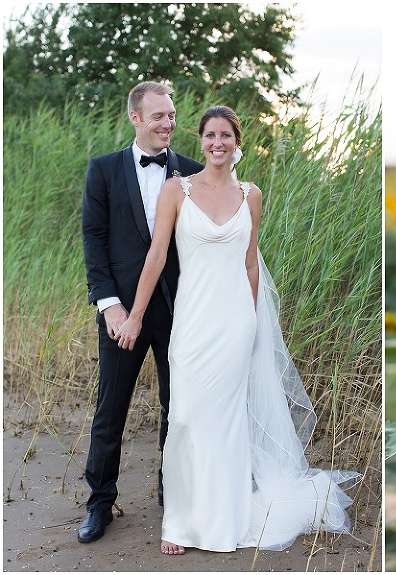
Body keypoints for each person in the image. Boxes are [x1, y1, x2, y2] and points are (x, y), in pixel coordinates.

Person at [115, 105, 359, 555]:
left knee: (227, 424)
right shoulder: (177, 190)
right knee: (187, 418)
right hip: (192, 323)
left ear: (236, 141)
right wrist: (134, 314)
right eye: (209, 135)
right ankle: (182, 522)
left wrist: (252, 325)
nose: (217, 142)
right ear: (201, 140)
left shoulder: (252, 195)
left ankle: (224, 519)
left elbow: (250, 265)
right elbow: (155, 258)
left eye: (225, 134)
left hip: (235, 324)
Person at [80, 81, 204, 544]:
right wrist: (110, 306)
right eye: (159, 116)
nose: (168, 123)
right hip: (122, 314)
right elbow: (93, 240)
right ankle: (99, 504)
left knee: (179, 409)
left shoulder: (192, 173)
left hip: (180, 313)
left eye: (171, 115)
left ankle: (171, 493)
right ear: (136, 117)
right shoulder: (104, 170)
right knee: (110, 410)